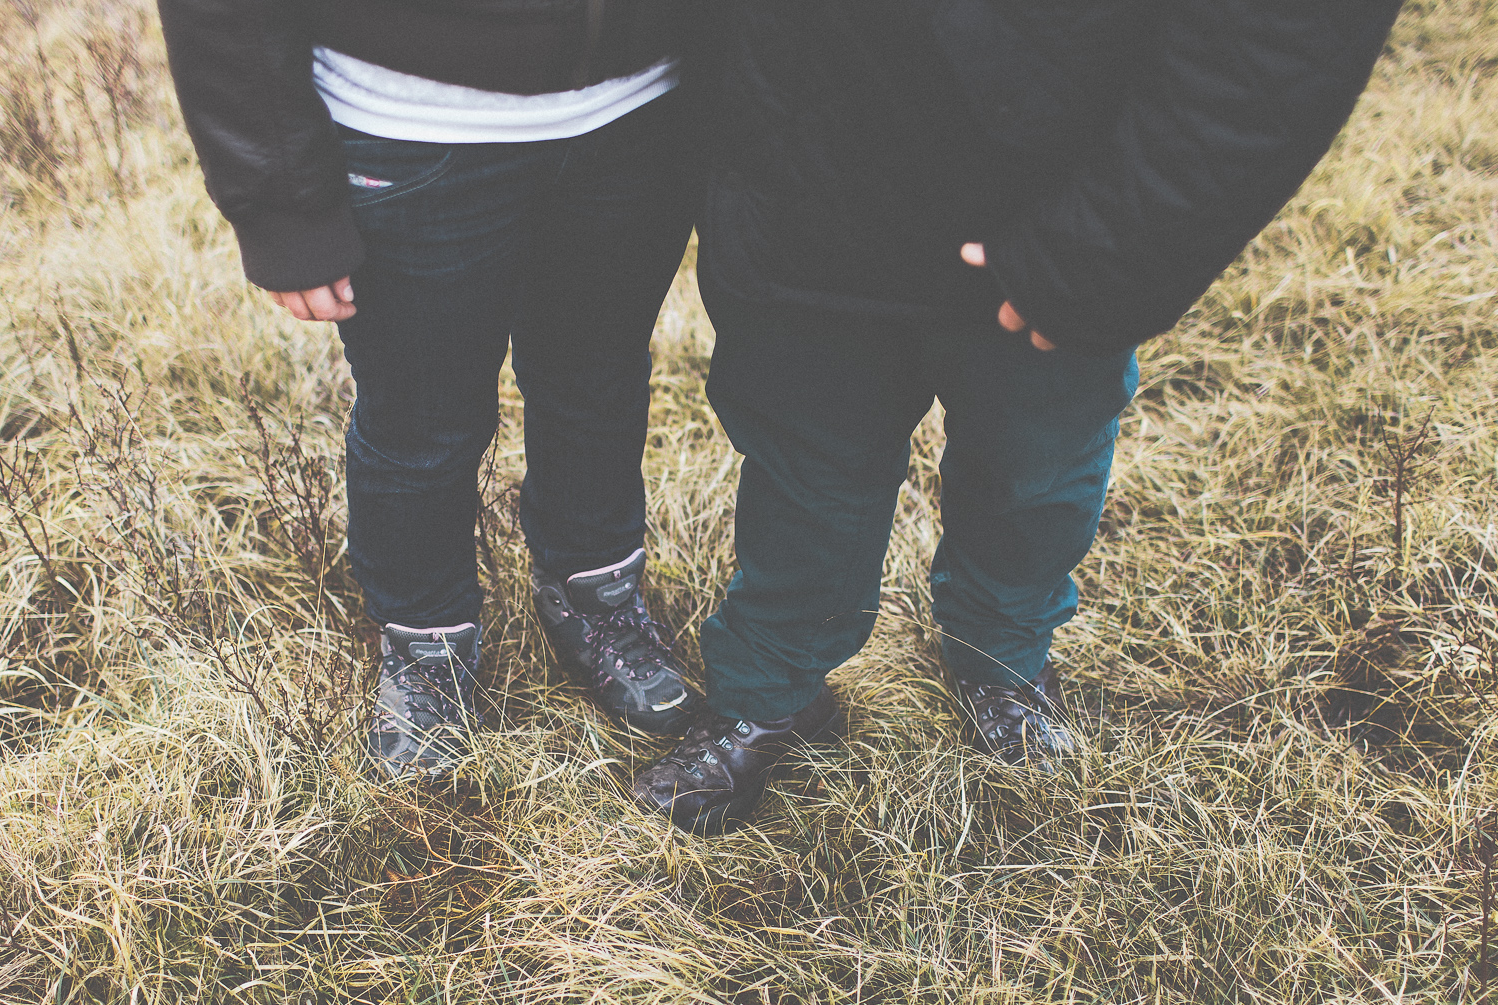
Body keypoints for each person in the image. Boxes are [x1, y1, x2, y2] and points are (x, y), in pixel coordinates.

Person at [632, 0, 1404, 835]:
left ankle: (1004, 660)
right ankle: (768, 693)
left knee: (1034, 470)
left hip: (1054, 196)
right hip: (806, 172)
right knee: (803, 467)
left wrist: (1111, 242)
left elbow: (1286, 34)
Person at [158, 0, 700, 777]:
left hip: (639, 114)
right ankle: (426, 644)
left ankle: (596, 595)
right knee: (422, 421)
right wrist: (280, 202)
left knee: (599, 379)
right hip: (408, 127)